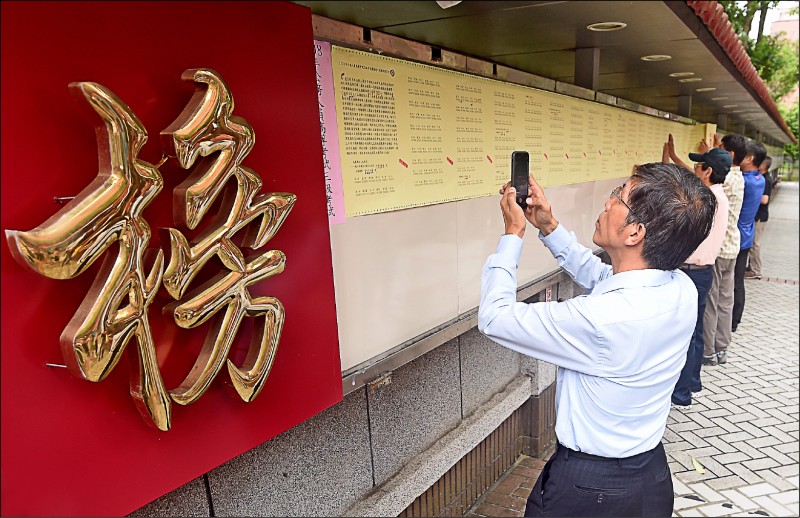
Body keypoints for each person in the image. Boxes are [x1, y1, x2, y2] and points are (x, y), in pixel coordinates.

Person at [478, 162, 716, 517]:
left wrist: (513, 233)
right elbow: (603, 275)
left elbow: (495, 317)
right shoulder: (678, 287)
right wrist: (548, 226)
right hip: (650, 476)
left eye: (618, 196)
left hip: (591, 491)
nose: (607, 203)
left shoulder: (601, 320)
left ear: (634, 232)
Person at [662, 137, 730, 409]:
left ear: (708, 172)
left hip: (690, 272)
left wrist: (668, 164)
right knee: (696, 331)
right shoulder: (718, 196)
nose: (696, 168)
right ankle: (692, 382)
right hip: (704, 272)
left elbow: (683, 184)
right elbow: (690, 176)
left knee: (685, 334)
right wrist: (675, 157)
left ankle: (681, 395)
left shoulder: (705, 200)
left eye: (700, 165)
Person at [702, 133, 746, 366]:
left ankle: (708, 351)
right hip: (733, 247)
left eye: (720, 148)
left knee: (712, 299)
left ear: (729, 154)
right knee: (725, 301)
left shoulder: (725, 179)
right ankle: (722, 348)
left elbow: (701, 177)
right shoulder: (739, 178)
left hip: (719, 249)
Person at [731, 140, 766, 333]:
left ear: (750, 158)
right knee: (738, 281)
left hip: (738, 236)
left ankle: (733, 320)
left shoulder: (745, 181)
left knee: (734, 281)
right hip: (746, 235)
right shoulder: (758, 179)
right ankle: (735, 319)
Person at [746, 155, 772, 279]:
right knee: (753, 242)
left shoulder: (766, 179)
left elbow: (765, 199)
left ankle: (756, 271)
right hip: (758, 216)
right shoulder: (761, 177)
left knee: (754, 244)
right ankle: (751, 267)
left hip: (760, 216)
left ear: (763, 166)